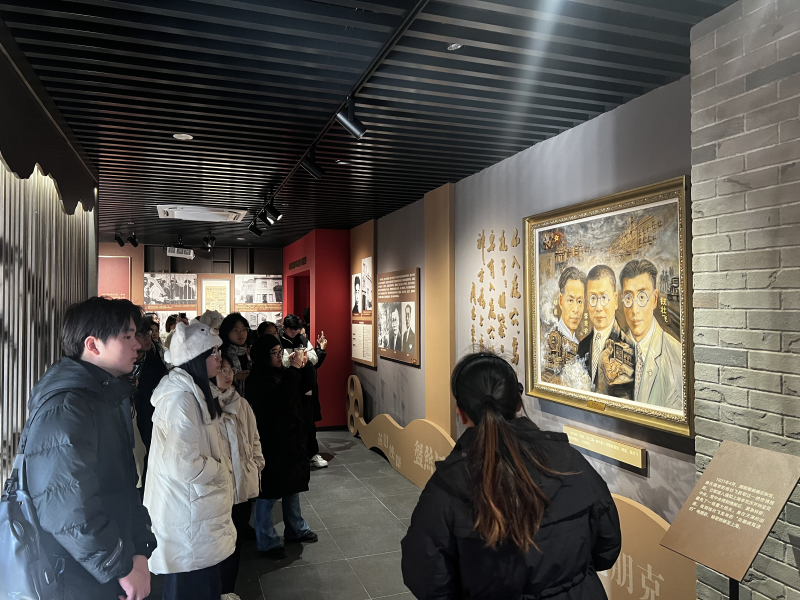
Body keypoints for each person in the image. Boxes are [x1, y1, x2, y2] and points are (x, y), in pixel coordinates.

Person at [401, 353, 621, 599]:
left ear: (461, 413)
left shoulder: (448, 485)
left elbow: (426, 576)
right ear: (518, 403)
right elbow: (607, 547)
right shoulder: (570, 461)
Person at [23, 297, 156, 600]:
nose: (138, 344)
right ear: (93, 344)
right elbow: (65, 509)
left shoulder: (104, 397)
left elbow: (124, 487)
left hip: (105, 567)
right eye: (127, 336)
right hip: (80, 575)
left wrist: (139, 551)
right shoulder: (67, 407)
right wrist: (119, 566)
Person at [143, 320, 235, 600]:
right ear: (195, 358)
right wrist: (220, 470)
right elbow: (183, 464)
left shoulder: (193, 392)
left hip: (195, 512)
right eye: (213, 353)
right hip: (188, 514)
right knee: (190, 586)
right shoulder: (181, 399)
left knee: (203, 583)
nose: (219, 358)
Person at [247, 334, 318, 559]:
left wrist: (305, 365)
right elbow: (280, 399)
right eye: (275, 353)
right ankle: (267, 541)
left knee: (292, 486)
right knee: (268, 494)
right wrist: (294, 370)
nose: (280, 356)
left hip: (289, 440)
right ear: (263, 355)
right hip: (271, 442)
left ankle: (296, 528)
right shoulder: (258, 379)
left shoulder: (279, 373)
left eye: (280, 352)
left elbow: (305, 385)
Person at [214, 355, 265, 599]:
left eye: (230, 370)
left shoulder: (241, 403)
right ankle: (217, 589)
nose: (227, 374)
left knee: (235, 540)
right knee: (218, 541)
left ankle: (228, 590)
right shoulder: (203, 405)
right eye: (221, 370)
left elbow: (254, 437)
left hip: (242, 484)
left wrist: (257, 464)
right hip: (219, 488)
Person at [620, 259, 683, 410]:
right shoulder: (613, 349)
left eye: (642, 297)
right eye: (628, 298)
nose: (634, 310)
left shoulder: (676, 355)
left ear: (654, 299)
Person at [576, 265, 635, 398]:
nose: (598, 307)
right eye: (593, 298)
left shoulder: (628, 348)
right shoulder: (582, 346)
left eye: (604, 298)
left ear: (615, 300)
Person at [279, 314, 326, 468]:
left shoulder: (303, 339)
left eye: (297, 329)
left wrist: (300, 359)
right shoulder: (278, 341)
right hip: (287, 387)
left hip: (305, 387)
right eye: (291, 329)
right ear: (284, 327)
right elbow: (281, 362)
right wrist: (294, 360)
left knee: (308, 422)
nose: (294, 332)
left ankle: (312, 453)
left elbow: (314, 358)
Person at [220, 312, 251, 398]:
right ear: (227, 332)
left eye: (243, 329)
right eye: (235, 330)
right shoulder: (222, 356)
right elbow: (216, 382)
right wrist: (235, 378)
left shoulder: (250, 352)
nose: (241, 333)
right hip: (232, 401)